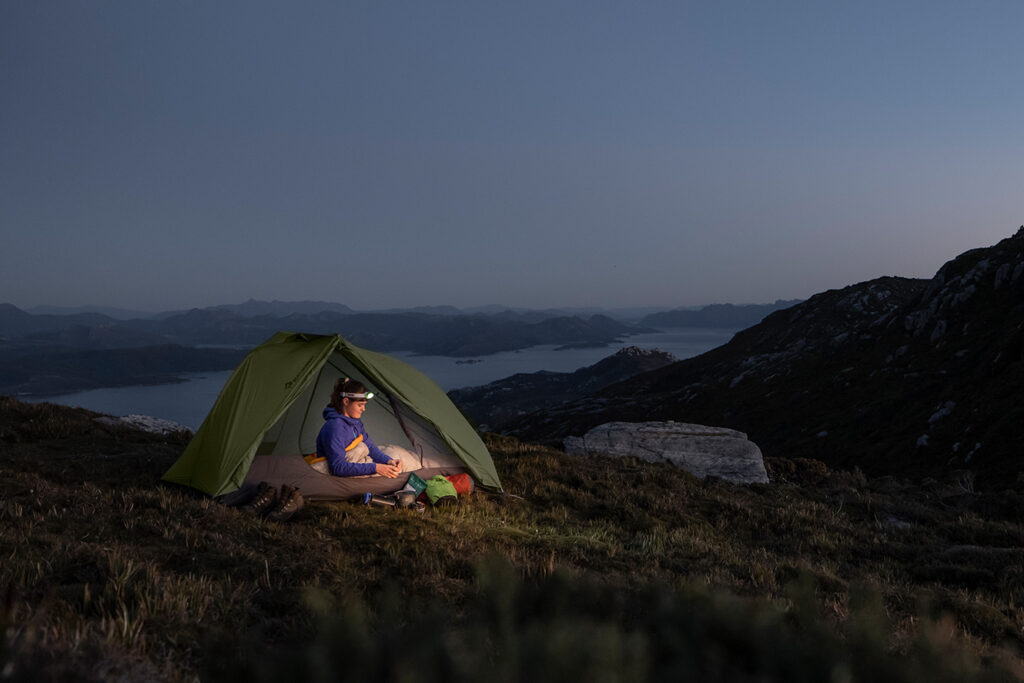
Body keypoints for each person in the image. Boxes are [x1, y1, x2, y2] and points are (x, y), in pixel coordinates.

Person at [316, 378, 403, 478]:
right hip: (333, 472)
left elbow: (369, 446)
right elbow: (338, 467)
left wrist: (389, 461)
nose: (364, 409)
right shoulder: (335, 427)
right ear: (346, 401)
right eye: (360, 405)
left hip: (350, 464)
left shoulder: (356, 423)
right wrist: (376, 468)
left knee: (365, 448)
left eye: (364, 405)